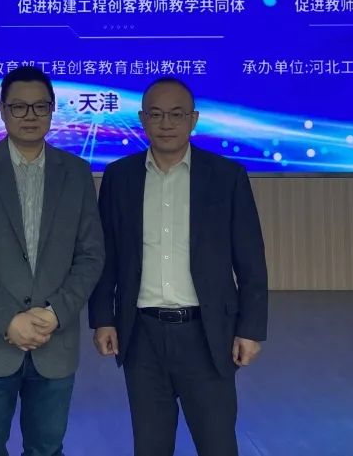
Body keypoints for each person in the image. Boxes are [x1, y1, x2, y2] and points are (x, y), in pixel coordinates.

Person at [88, 77, 268, 456]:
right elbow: (107, 256)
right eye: (156, 114)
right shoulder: (120, 177)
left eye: (176, 114)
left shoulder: (226, 176)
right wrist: (103, 318)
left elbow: (250, 260)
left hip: (207, 334)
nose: (166, 123)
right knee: (150, 446)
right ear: (142, 119)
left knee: (217, 444)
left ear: (193, 119)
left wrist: (250, 329)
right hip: (142, 336)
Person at [0, 65, 105, 456]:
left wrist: (55, 312)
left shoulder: (77, 173)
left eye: (40, 106)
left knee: (47, 449)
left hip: (55, 342)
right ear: (2, 110)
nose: (30, 115)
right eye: (19, 106)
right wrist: (8, 319)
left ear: (52, 110)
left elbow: (91, 255)